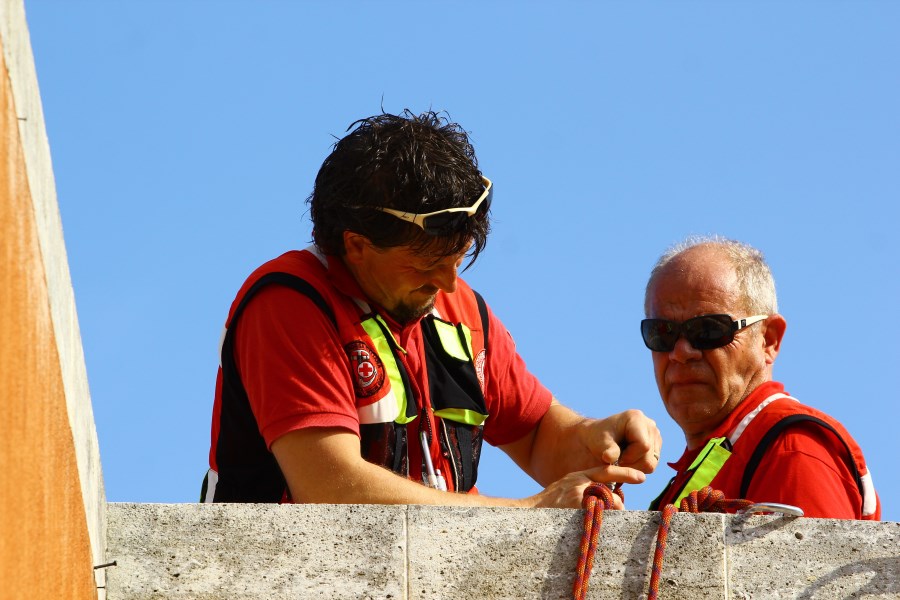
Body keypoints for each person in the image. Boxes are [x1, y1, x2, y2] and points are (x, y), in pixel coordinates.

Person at [201, 109, 661, 508]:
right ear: (356, 245)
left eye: (457, 260)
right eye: (426, 266)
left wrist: (599, 440)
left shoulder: (459, 308)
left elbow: (538, 435)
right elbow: (331, 486)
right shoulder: (288, 303)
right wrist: (529, 513)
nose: (447, 283)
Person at [641, 237, 879, 519]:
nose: (680, 352)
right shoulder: (710, 460)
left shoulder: (793, 448)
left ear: (769, 339)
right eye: (662, 333)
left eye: (707, 330)